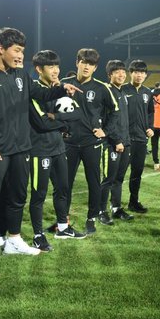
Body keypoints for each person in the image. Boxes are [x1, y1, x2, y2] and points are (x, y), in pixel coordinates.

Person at [0, 28, 76, 279]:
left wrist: (62, 89)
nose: (20, 56)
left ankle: (13, 240)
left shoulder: (20, 76)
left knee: (17, 198)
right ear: (0, 48)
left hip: (21, 149)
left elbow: (40, 94)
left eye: (22, 52)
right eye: (16, 50)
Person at [28, 50, 86, 250]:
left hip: (58, 148)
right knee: (39, 195)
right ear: (39, 69)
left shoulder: (59, 88)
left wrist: (56, 118)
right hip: (39, 150)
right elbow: (41, 123)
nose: (55, 70)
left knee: (63, 188)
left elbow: (77, 114)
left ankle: (63, 227)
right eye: (50, 66)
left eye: (57, 66)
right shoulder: (34, 90)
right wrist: (61, 123)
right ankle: (37, 236)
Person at [61, 48, 119, 235]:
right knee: (64, 184)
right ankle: (63, 220)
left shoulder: (102, 88)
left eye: (91, 64)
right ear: (77, 62)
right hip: (68, 143)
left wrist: (106, 131)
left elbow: (115, 111)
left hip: (92, 143)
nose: (87, 66)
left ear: (95, 68)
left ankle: (91, 218)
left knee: (93, 182)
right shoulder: (63, 84)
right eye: (84, 62)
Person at [99, 60, 135, 224]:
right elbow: (106, 121)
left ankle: (116, 208)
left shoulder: (122, 92)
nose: (121, 75)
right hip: (112, 143)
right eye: (117, 72)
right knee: (108, 178)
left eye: (123, 71)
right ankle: (101, 211)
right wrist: (117, 140)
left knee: (119, 178)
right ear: (110, 75)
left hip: (125, 142)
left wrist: (126, 140)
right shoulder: (106, 92)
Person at [123, 60, 154, 213]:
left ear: (145, 75)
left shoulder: (147, 92)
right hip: (124, 139)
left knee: (137, 173)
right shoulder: (122, 89)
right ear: (131, 73)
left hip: (141, 139)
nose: (139, 75)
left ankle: (133, 202)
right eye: (136, 72)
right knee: (117, 173)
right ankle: (112, 205)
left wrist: (150, 127)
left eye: (142, 72)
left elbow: (150, 112)